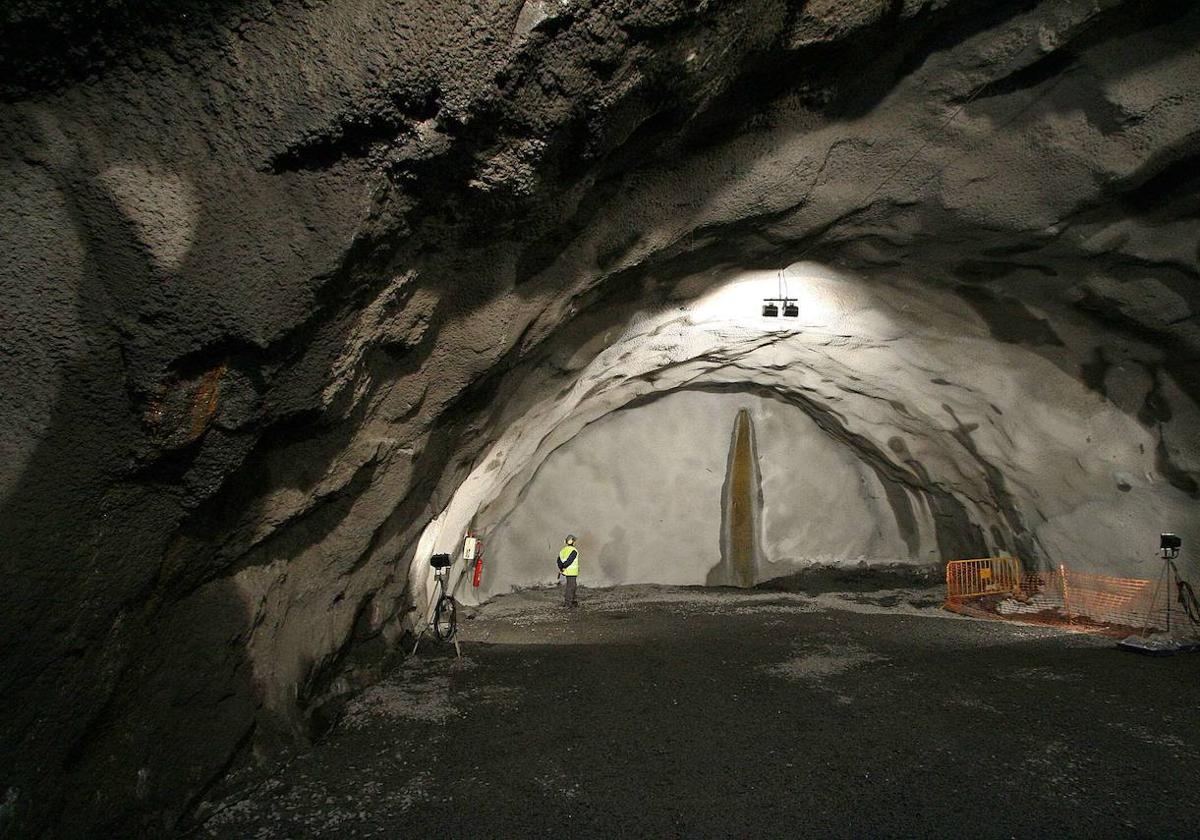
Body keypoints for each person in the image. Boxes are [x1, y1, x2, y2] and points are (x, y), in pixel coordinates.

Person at [557, 535, 580, 608]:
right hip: (571, 572)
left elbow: (558, 561)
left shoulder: (563, 550)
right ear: (573, 542)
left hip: (566, 571)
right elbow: (569, 561)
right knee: (571, 587)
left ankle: (571, 601)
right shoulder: (574, 550)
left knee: (572, 586)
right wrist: (564, 566)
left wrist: (562, 568)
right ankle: (568, 603)